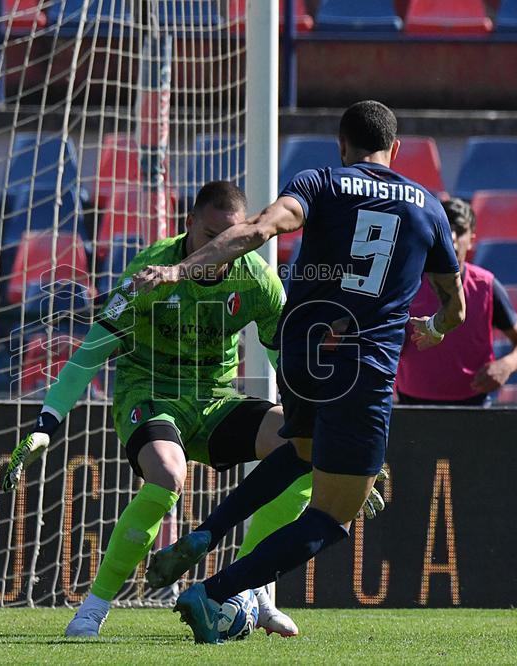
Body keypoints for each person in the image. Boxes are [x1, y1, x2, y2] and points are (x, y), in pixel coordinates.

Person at [132, 100, 466, 644]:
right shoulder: (427, 206)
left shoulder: (320, 182)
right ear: (395, 150)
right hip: (362, 364)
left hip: (300, 352)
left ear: (341, 145)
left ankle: (205, 533)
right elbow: (457, 307)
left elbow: (260, 230)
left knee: (304, 451)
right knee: (333, 515)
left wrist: (180, 268)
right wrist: (435, 327)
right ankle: (215, 592)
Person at [2, 181, 382, 638]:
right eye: (210, 236)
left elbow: (290, 359)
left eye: (231, 237)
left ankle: (250, 587)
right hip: (150, 395)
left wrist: (334, 448)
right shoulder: (151, 270)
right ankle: (93, 609)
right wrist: (47, 422)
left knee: (305, 448)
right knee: (166, 475)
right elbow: (91, 351)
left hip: (216, 401)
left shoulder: (256, 277)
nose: (221, 247)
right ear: (189, 226)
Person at [396, 197, 517, 405]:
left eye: (459, 230)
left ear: (471, 239)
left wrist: (506, 365)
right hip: (412, 402)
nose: (451, 237)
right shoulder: (408, 280)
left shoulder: (486, 285)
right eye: (444, 229)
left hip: (473, 405)